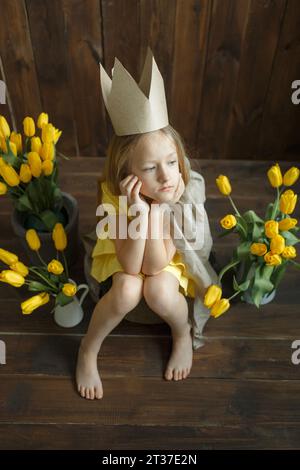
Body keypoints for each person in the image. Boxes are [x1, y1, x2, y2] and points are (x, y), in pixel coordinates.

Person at [76, 48, 217, 400]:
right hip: (125, 251)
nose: (167, 176)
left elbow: (155, 266)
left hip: (164, 257)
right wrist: (138, 211)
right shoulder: (117, 197)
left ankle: (182, 334)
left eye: (171, 162)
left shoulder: (179, 192)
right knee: (126, 288)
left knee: (156, 288)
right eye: (151, 168)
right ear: (129, 174)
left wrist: (158, 212)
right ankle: (88, 350)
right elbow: (130, 264)